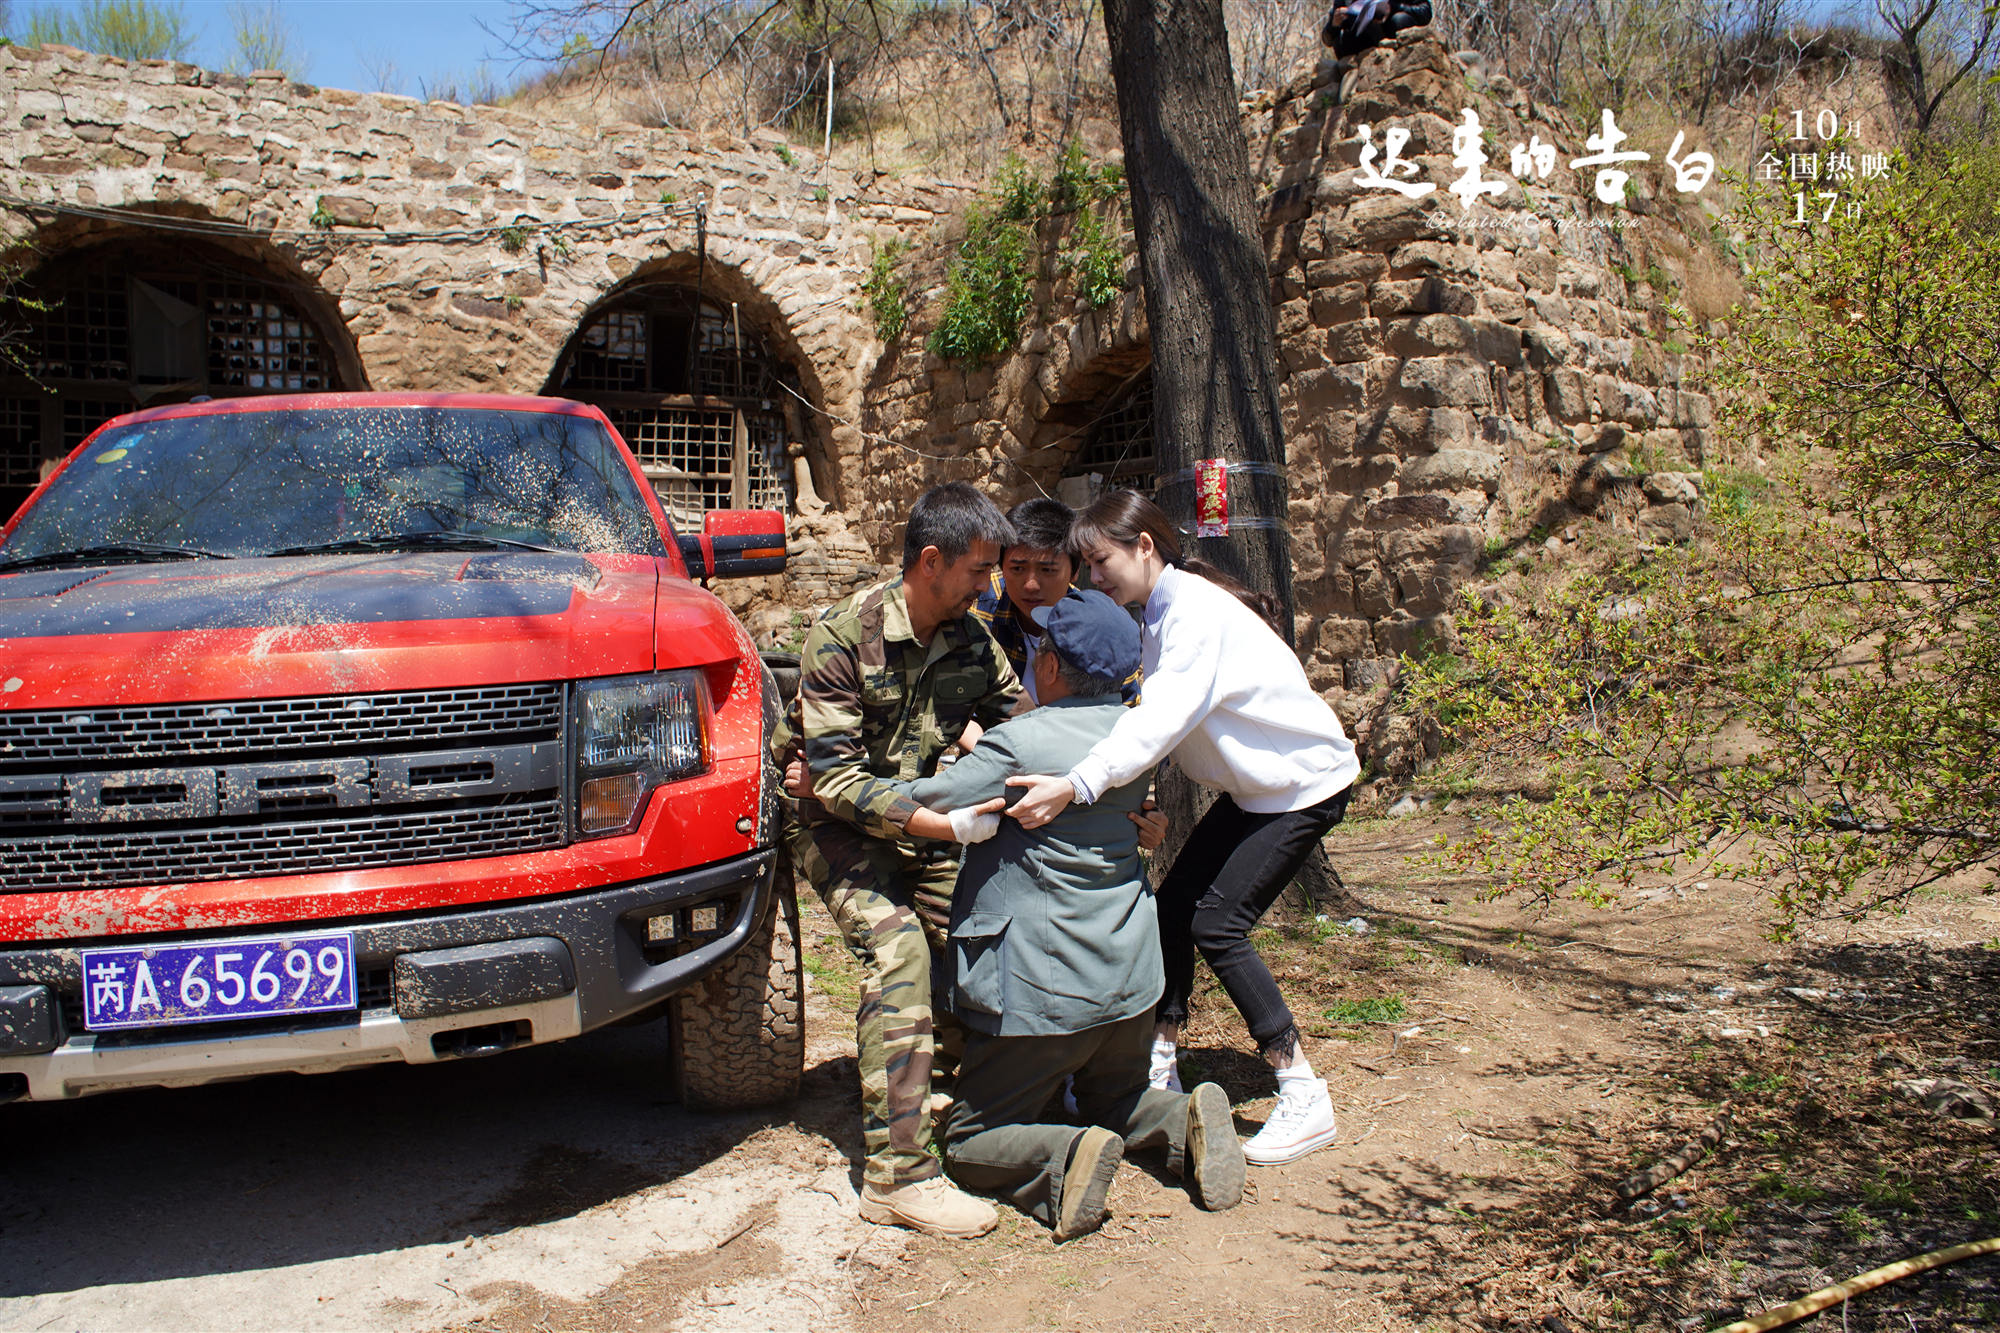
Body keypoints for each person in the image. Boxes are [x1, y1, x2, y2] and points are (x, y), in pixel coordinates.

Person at [1005, 489, 1361, 1167]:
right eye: (1085, 565)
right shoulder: (1160, 610)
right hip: (1259, 790)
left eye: (1100, 561)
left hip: (1300, 788)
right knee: (1174, 906)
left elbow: (1161, 716)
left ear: (1145, 547)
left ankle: (1300, 1085)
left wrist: (1079, 782)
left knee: (1216, 924)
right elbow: (1142, 708)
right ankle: (1160, 1053)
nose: (1093, 577)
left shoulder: (1192, 614)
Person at [883, 589, 1247, 1239]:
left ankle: (1063, 1158)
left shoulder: (1022, 744)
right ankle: (1182, 1118)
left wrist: (841, 782)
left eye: (1040, 650)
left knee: (969, 1136)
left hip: (1040, 988)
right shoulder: (1138, 736)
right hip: (1129, 977)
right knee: (1118, 1099)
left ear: (1050, 666)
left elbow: (923, 801)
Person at [770, 481, 1024, 1239]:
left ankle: (941, 1096)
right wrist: (939, 826)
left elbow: (1022, 726)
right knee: (900, 950)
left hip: (924, 815)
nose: (990, 587)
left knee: (979, 927)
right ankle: (898, 1176)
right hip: (835, 826)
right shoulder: (844, 636)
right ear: (932, 560)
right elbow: (836, 778)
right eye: (980, 571)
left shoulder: (972, 638)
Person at [970, 496, 1137, 706]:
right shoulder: (977, 606)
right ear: (1001, 565)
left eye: (1048, 570)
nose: (1031, 584)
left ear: (1075, 571)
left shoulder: (1100, 629)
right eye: (1017, 569)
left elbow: (1126, 708)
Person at [1321, 0, 1431, 60]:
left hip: (1396, 38)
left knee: (1399, 19)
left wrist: (1393, 6)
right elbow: (1328, 39)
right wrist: (1334, 25)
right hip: (1363, 44)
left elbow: (1425, 13)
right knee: (1341, 40)